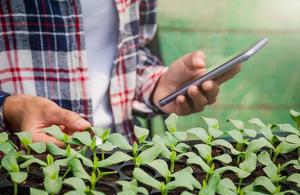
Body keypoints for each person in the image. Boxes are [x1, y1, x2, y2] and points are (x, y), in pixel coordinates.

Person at [0, 0, 240, 145]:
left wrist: (156, 86)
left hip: (116, 160)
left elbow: (131, 53)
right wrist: (10, 109)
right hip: (21, 166)